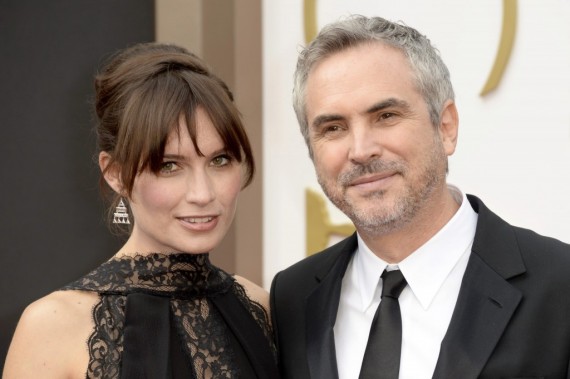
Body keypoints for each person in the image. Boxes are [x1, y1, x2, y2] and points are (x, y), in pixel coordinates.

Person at [270, 15, 570, 379]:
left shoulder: (559, 284)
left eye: (386, 116)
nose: (361, 150)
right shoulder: (292, 298)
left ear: (446, 127)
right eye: (333, 128)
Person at [4, 42, 278, 378]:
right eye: (169, 165)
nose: (203, 193)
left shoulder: (259, 307)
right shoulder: (52, 326)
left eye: (220, 160)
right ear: (116, 173)